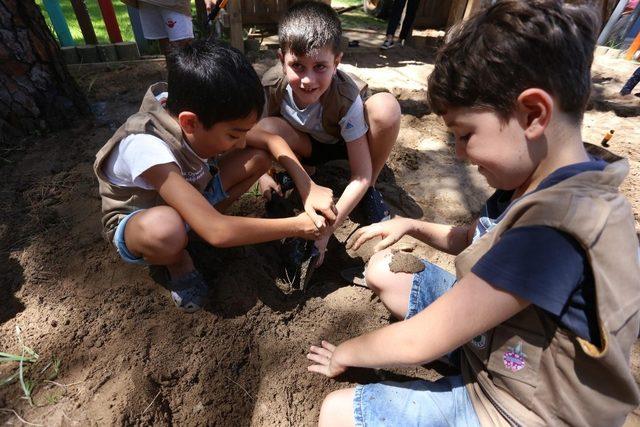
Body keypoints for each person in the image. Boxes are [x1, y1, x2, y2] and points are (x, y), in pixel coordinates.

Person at [307, 1, 640, 425]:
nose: (461, 154)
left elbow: (421, 341)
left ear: (533, 114)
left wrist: (344, 353)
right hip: (500, 346)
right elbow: (475, 237)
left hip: (520, 407)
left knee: (337, 414)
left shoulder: (554, 230)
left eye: (466, 134)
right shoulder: (549, 179)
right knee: (386, 269)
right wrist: (409, 223)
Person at [94, 40, 321, 313]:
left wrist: (308, 187)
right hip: (143, 223)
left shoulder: (199, 105)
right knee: (165, 229)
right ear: (189, 122)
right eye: (233, 135)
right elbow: (217, 232)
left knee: (258, 158)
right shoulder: (145, 147)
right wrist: (298, 225)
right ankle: (178, 262)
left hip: (192, 195)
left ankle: (196, 227)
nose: (239, 143)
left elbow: (271, 140)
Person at [248, 1, 401, 267]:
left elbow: (360, 174)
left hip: (348, 143)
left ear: (337, 62)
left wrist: (326, 232)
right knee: (267, 127)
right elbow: (257, 134)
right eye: (297, 66)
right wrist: (263, 176)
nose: (308, 80)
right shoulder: (272, 86)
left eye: (320, 66)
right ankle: (300, 176)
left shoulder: (345, 96)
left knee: (386, 107)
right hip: (306, 147)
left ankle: (368, 194)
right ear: (282, 61)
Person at [121, 0, 194, 55]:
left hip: (173, 3)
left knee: (182, 40)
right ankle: (173, 72)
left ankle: (190, 73)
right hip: (146, 2)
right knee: (164, 41)